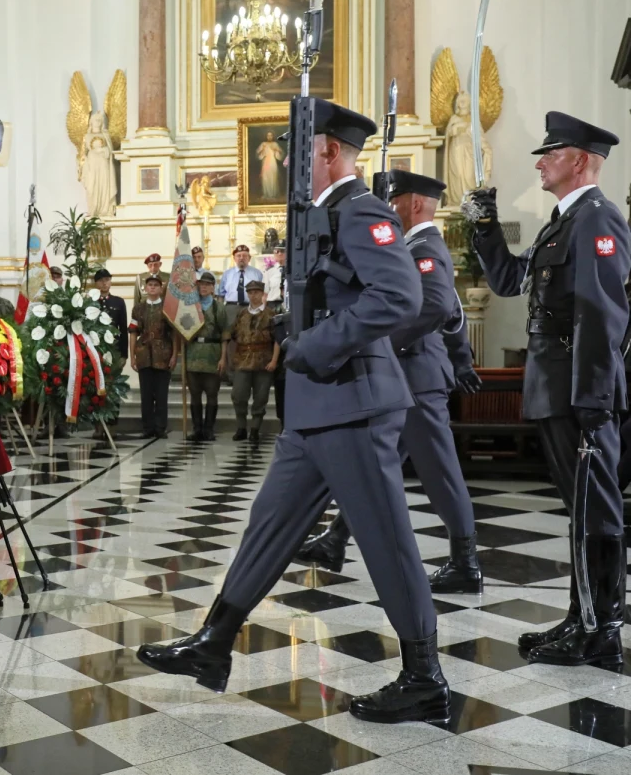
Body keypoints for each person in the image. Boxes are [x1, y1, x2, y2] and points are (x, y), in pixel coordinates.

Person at [138, 100, 450, 726]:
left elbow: (402, 295)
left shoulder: (362, 211)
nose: (285, 162)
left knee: (388, 543)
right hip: (317, 408)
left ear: (329, 150)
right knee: (269, 525)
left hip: (354, 403)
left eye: (297, 149)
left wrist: (321, 341)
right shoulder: (321, 217)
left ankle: (424, 677)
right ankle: (214, 644)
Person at [465, 111, 629, 667]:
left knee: (595, 511)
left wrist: (592, 397)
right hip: (557, 386)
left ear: (580, 160)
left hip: (579, 392)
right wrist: (486, 228)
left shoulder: (597, 221)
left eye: (550, 152)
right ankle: (580, 617)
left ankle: (600, 629)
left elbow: (601, 314)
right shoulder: (562, 221)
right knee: (579, 508)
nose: (540, 161)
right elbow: (513, 280)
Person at [295, 171, 483, 593]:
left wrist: (377, 341)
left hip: (416, 377)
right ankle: (335, 538)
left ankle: (465, 562)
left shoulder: (425, 247)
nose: (389, 207)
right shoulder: (413, 245)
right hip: (405, 375)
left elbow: (435, 305)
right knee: (373, 465)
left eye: (394, 200)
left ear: (414, 204)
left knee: (440, 471)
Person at [229, 281, 278, 443]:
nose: (253, 295)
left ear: (262, 294)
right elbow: (234, 335)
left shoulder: (271, 314)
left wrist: (274, 360)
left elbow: (277, 339)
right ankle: (241, 427)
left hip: (263, 360)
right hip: (243, 359)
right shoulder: (242, 313)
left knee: (260, 397)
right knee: (238, 395)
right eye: (250, 292)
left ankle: (255, 429)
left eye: (257, 292)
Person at [184, 271, 230, 441]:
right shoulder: (191, 307)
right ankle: (197, 429)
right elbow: (184, 329)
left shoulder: (219, 308)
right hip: (194, 353)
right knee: (194, 394)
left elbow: (225, 335)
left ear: (212, 288)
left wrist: (223, 358)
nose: (203, 287)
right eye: (201, 284)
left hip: (212, 354)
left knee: (212, 393)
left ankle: (209, 429)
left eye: (207, 285)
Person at [129, 275, 176, 439]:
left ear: (161, 288)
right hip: (144, 355)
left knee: (161, 394)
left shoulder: (167, 308)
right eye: (150, 285)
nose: (153, 287)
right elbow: (133, 333)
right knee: (146, 394)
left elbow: (174, 333)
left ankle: (160, 427)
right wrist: (132, 356)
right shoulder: (138, 308)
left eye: (156, 285)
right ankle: (147, 427)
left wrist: (174, 355)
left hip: (163, 353)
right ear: (145, 288)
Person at [94, 268, 128, 439]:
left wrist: (124, 355)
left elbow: (123, 329)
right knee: (96, 388)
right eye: (101, 280)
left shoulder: (119, 302)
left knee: (113, 390)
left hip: (114, 353)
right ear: (96, 283)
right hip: (96, 352)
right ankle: (97, 425)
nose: (104, 283)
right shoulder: (90, 303)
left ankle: (112, 424)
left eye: (107, 280)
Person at [217, 244, 264, 323]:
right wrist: (220, 312)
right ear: (234, 258)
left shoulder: (257, 273)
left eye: (245, 256)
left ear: (249, 258)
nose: (241, 258)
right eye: (239, 256)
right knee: (229, 332)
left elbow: (263, 294)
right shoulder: (227, 274)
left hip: (251, 308)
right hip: (231, 308)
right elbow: (220, 295)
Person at [264, 243, 286, 309]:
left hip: (288, 304)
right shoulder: (269, 271)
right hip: (272, 305)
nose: (279, 254)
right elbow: (265, 293)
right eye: (277, 251)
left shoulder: (294, 270)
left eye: (283, 251)